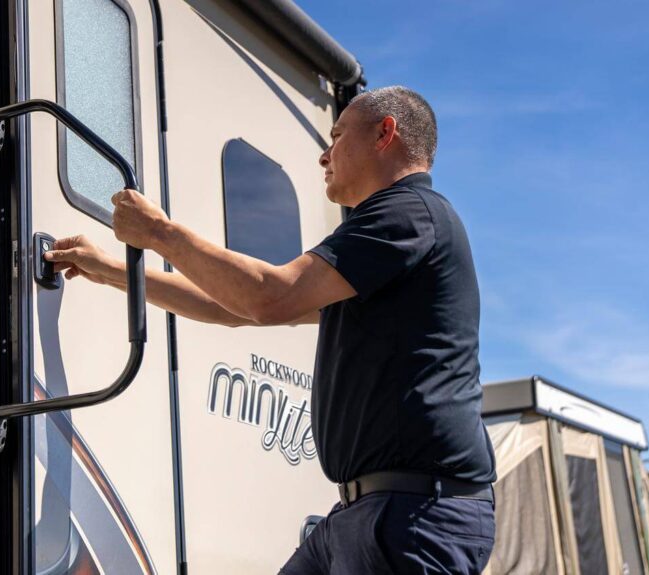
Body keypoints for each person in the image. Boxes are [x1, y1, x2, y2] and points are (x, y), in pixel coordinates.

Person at [45, 86, 496, 574]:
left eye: (338, 136)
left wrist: (160, 232)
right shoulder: (387, 237)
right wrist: (111, 271)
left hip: (415, 514)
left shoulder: (408, 213)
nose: (325, 155)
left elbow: (268, 296)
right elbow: (230, 308)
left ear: (385, 133)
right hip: (368, 510)